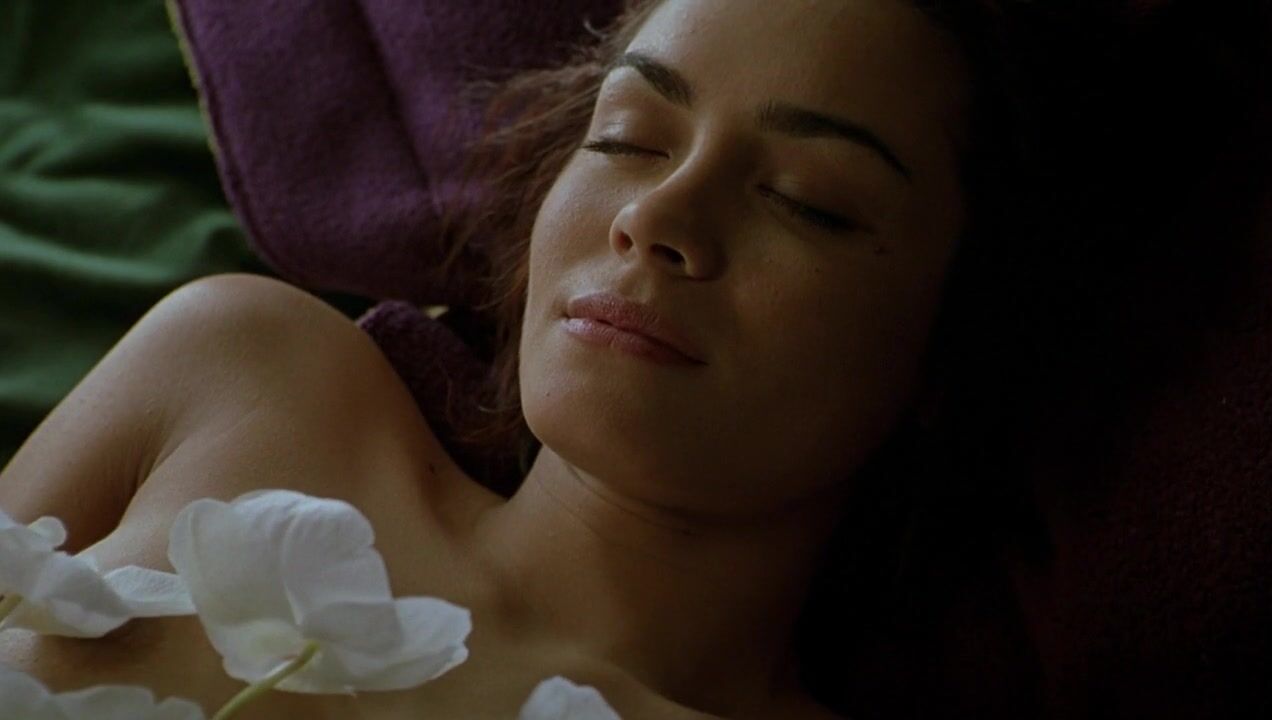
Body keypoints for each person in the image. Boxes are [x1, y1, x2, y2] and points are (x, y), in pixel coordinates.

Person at [1, 0, 1216, 717]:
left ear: (958, 335)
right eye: (629, 137)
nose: (658, 217)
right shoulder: (238, 373)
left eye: (810, 202)